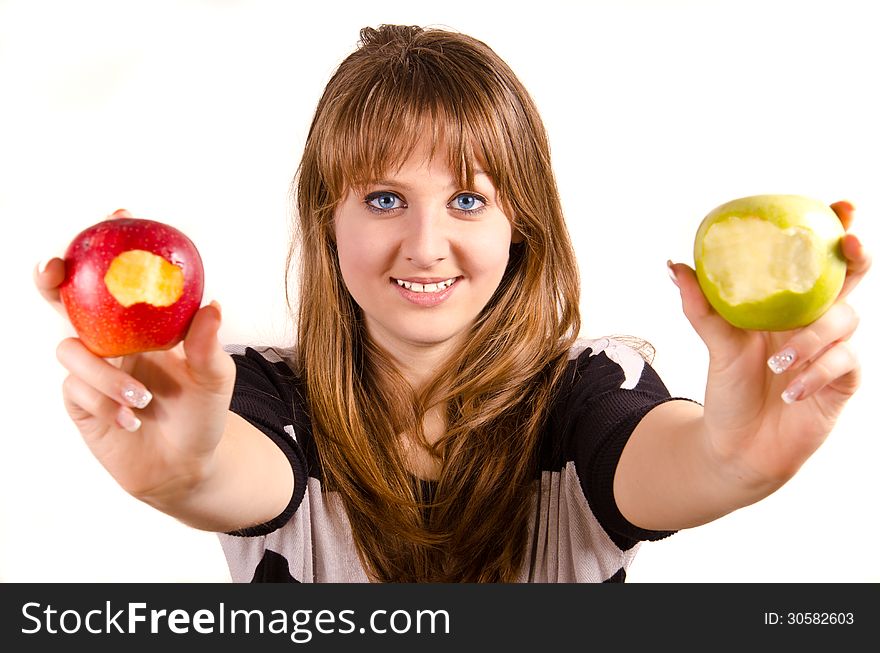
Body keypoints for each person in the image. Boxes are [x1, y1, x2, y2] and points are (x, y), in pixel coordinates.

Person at [34, 24, 870, 583]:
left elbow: (667, 464)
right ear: (329, 218)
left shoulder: (589, 392)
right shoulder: (262, 398)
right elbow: (235, 468)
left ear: (521, 223)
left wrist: (735, 460)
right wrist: (183, 472)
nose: (426, 245)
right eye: (385, 199)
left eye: (468, 201)